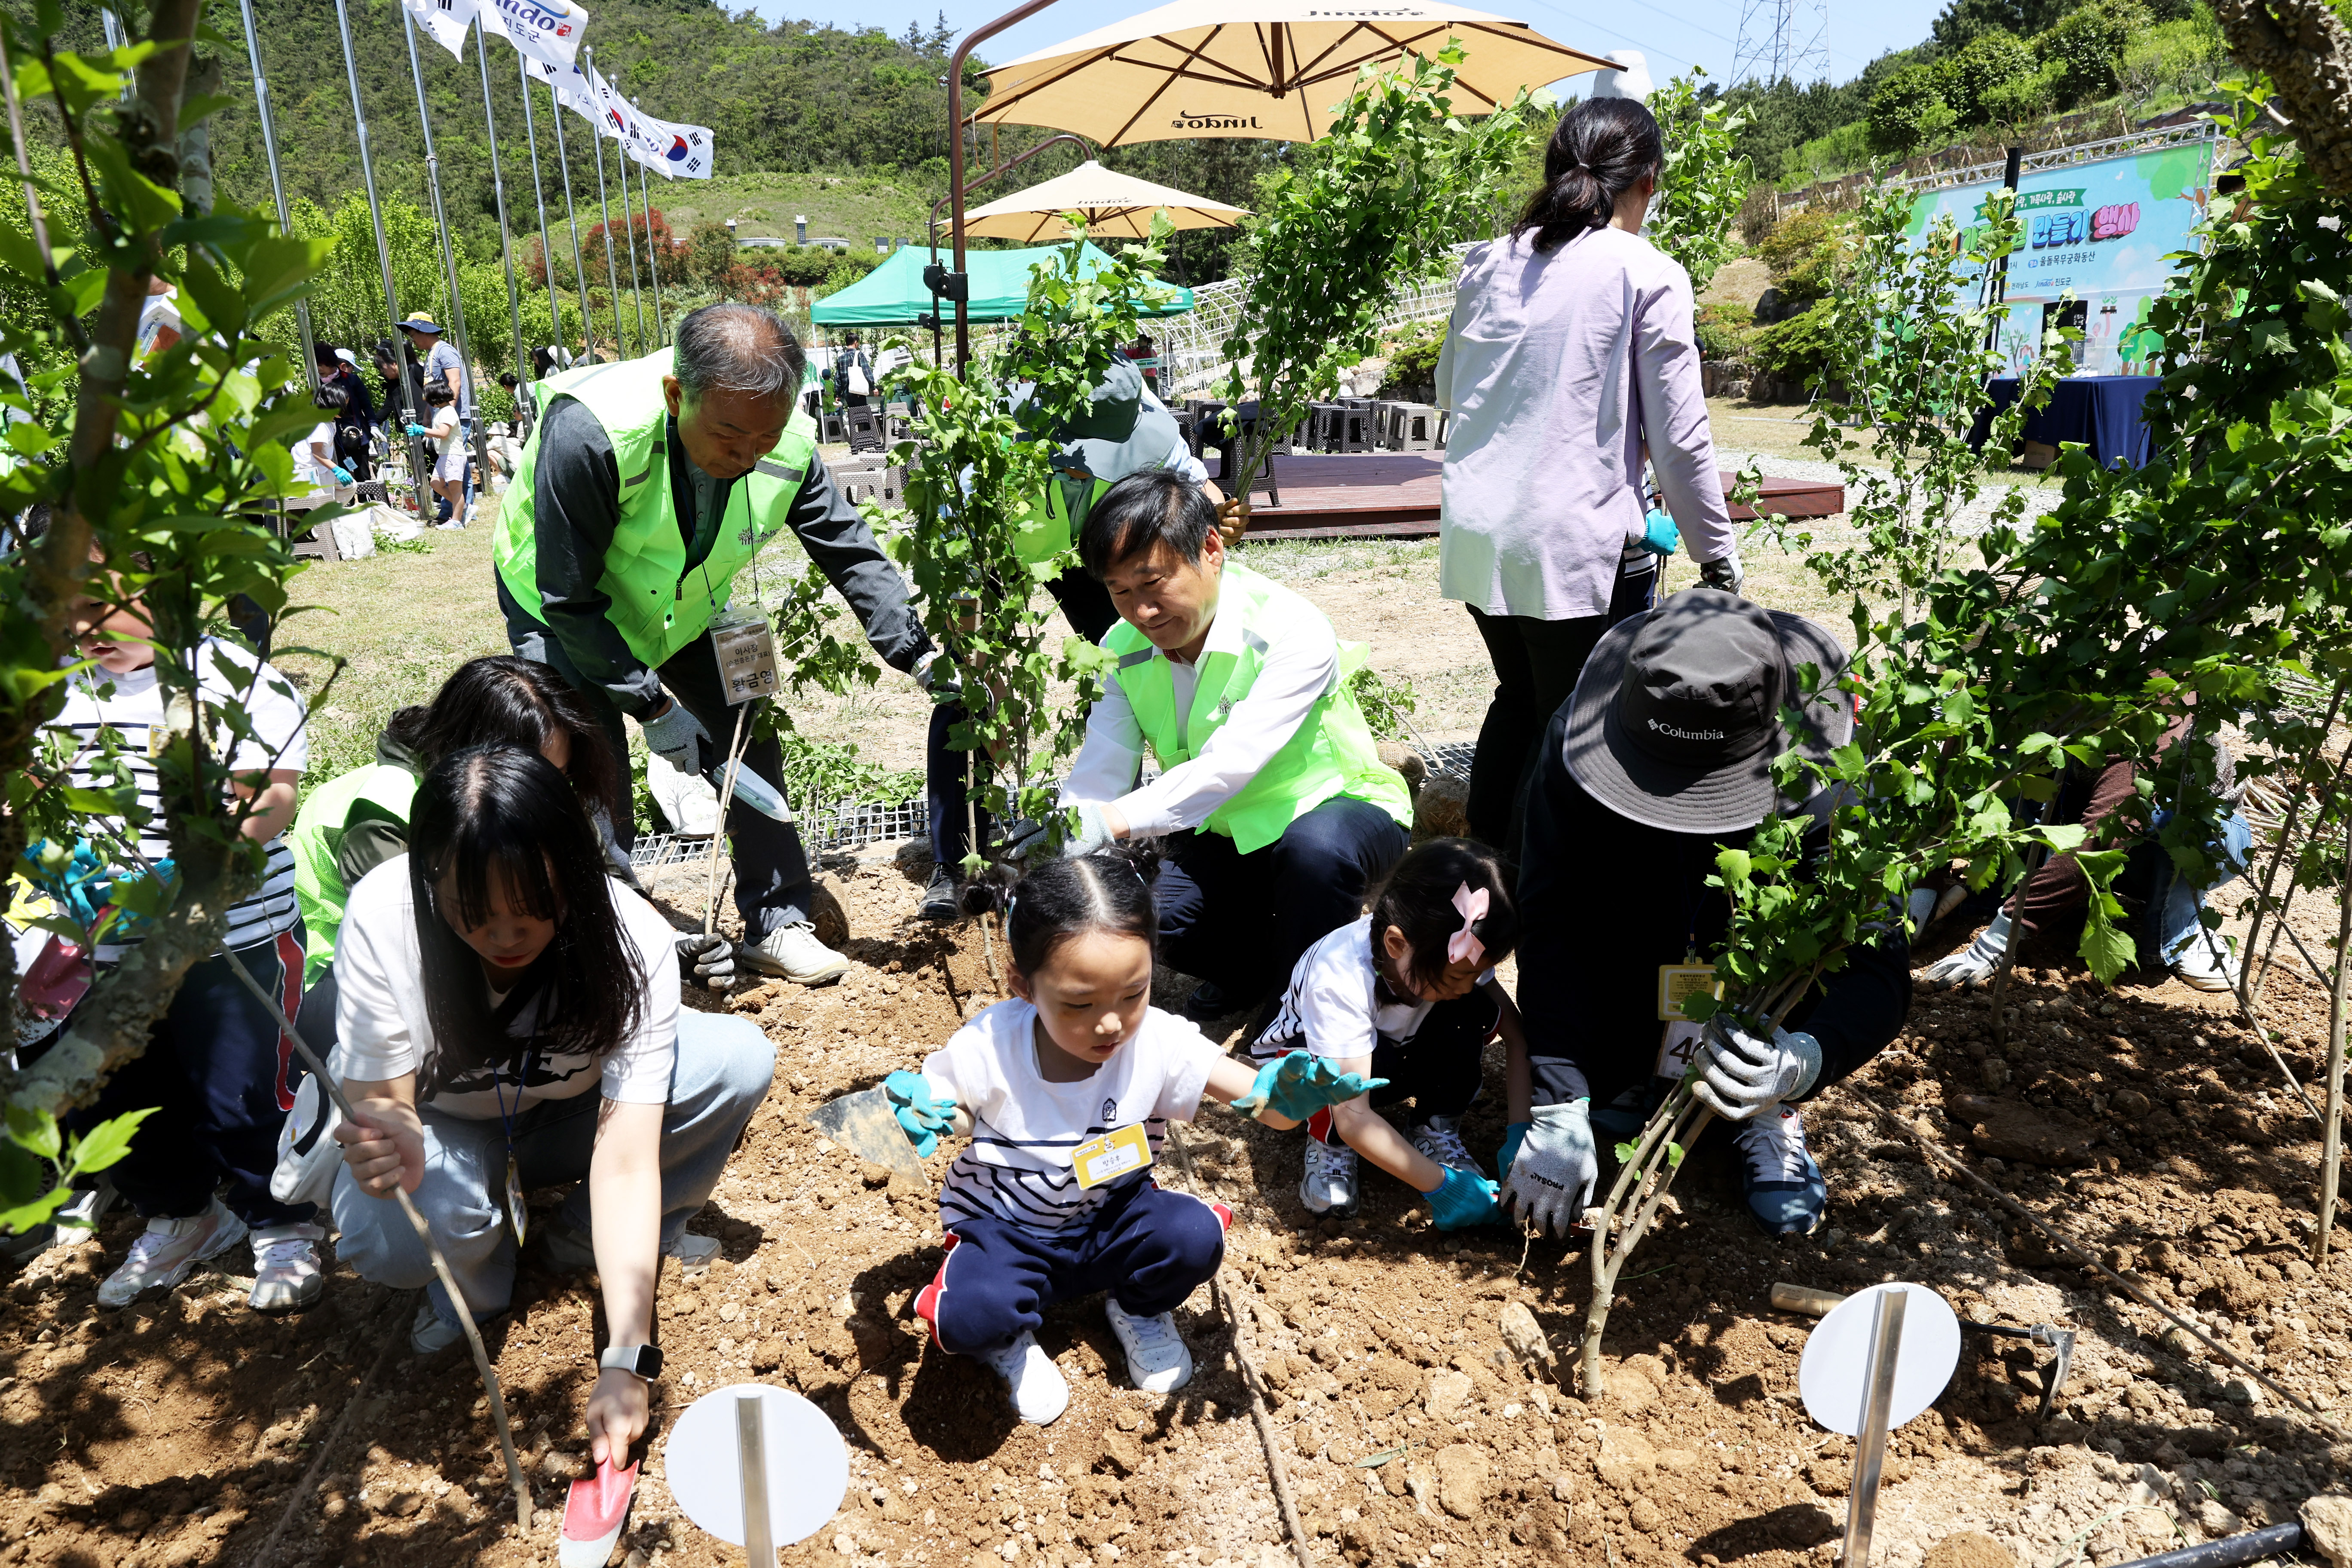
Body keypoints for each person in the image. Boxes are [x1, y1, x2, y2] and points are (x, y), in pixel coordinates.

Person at [495, 300, 944, 986]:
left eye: (763, 442)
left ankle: (777, 919)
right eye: (730, 439)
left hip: (681, 605)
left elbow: (848, 551)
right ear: (678, 394)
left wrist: (917, 652)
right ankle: (605, 942)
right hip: (562, 608)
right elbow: (570, 598)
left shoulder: (781, 445)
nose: (745, 460)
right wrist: (652, 708)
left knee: (746, 734)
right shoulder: (592, 433)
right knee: (586, 764)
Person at [324, 747, 773, 1377]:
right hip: (446, 1132)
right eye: (473, 914)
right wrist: (387, 1126)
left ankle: (579, 1238)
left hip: (571, 1117)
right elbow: (382, 1099)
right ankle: (476, 1283)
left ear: (571, 874)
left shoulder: (628, 937)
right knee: (390, 1229)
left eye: (531, 910)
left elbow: (625, 1164)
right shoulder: (382, 914)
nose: (505, 938)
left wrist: (626, 1362)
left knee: (735, 1060)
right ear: (430, 877)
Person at [892, 848, 1381, 1424]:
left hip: (1110, 1218)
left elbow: (1264, 1106)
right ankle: (1007, 1338)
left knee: (1193, 1236)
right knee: (970, 1315)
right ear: (1022, 985)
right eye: (1080, 1003)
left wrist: (1289, 1096)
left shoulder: (1157, 1041)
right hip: (1010, 1230)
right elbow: (956, 1114)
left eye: (1134, 993)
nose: (1111, 1023)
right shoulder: (989, 1047)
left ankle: (1136, 1307)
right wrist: (927, 1115)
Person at [1504, 589, 1911, 1239]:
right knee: (1608, 1032)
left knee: (1787, 956)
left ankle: (1765, 1112)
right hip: (1633, 941)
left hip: (1757, 981)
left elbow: (1875, 955)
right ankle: (1622, 1077)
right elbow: (1554, 915)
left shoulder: (1834, 777)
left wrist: (1806, 1059)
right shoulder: (1576, 742)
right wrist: (1559, 1096)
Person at [1436, 95, 1744, 855]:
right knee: (1576, 723)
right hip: (1570, 544)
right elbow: (1678, 437)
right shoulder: (1646, 271)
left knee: (1520, 695)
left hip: (1478, 532)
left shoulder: (1487, 261)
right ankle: (1539, 886)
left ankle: (1482, 869)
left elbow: (1449, 389)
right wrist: (1716, 550)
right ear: (1646, 181)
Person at [44, 551, 318, 1312]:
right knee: (127, 1092)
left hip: (230, 933)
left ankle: (281, 1219)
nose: (82, 624)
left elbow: (271, 797)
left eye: (102, 602)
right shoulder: (54, 694)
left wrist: (198, 865)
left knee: (245, 1089)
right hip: (111, 944)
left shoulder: (229, 679)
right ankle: (185, 1214)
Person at [1055, 472, 1414, 1025]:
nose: (1142, 612)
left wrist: (1109, 822)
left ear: (1211, 549)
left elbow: (1232, 764)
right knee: (1161, 921)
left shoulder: (1290, 627)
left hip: (1331, 808)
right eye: (1121, 592)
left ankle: (1295, 1016)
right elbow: (1101, 771)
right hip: (1226, 829)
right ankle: (1259, 975)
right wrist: (1063, 841)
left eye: (1154, 584)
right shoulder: (1119, 650)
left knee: (1314, 857)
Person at [288, 655, 709, 1067]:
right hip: (344, 984)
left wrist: (661, 947)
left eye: (559, 776)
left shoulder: (532, 795)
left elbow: (595, 877)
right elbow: (434, 947)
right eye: (537, 774)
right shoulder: (388, 813)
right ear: (478, 754)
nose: (548, 792)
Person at [921, 360, 1223, 920]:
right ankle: (955, 862)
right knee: (966, 700)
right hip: (1007, 545)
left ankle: (1118, 838)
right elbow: (963, 584)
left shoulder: (1147, 423)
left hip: (1106, 549)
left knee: (1135, 667)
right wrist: (990, 681)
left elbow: (1202, 497)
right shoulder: (985, 458)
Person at [1249, 837, 1526, 1228]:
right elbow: (1354, 1115)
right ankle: (1330, 1146)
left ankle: (1434, 1126)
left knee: (1474, 1010)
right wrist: (1444, 1189)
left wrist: (1522, 1137)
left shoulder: (1448, 956)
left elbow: (1516, 1036)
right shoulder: (1339, 978)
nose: (1467, 983)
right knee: (1323, 1075)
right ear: (1396, 943)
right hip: (1315, 1072)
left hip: (1391, 1056)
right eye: (1459, 975)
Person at [1919, 723, 2251, 992]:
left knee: (2177, 823)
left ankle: (2181, 930)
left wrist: (1995, 944)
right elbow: (1953, 774)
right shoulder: (2030, 679)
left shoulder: (2157, 701)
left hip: (2201, 834)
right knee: (2014, 765)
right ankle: (2020, 888)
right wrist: (1925, 887)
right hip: (2099, 816)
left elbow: (2106, 834)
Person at [407, 383, 466, 528]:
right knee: (435, 483)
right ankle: (463, 507)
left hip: (453, 454)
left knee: (455, 488)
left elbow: (443, 433)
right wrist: (421, 431)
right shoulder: (441, 411)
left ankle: (456, 521)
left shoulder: (448, 412)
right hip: (444, 455)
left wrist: (422, 430)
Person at [298, 383, 356, 498]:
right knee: (325, 500)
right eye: (344, 405)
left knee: (350, 486)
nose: (346, 408)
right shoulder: (320, 424)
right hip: (311, 470)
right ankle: (328, 514)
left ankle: (333, 512)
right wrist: (336, 469)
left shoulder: (329, 421)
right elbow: (317, 452)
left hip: (322, 468)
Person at [831, 334, 875, 409]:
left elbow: (838, 378)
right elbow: (866, 371)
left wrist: (838, 395)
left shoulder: (841, 358)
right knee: (862, 414)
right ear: (855, 342)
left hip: (847, 393)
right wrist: (873, 387)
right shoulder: (859, 355)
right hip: (858, 392)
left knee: (853, 415)